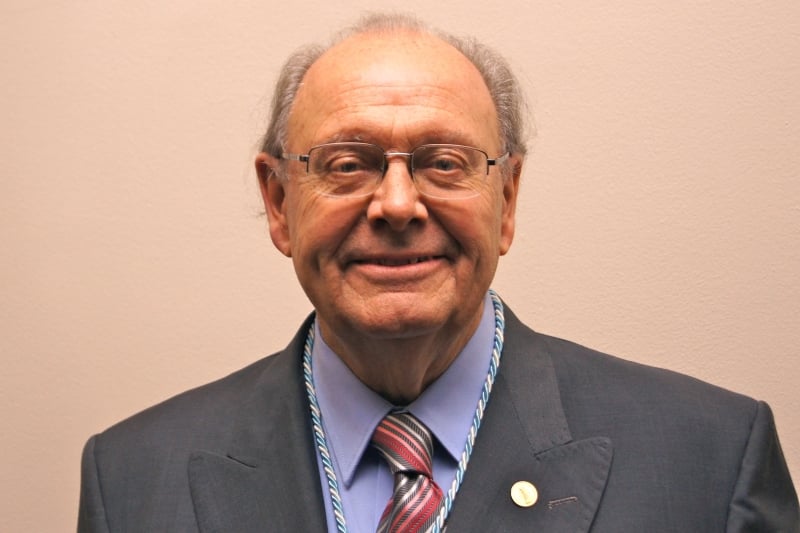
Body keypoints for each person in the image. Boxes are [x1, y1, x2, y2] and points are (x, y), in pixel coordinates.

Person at [77, 13, 798, 533]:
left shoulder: (711, 463)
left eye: (445, 163)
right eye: (347, 164)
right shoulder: (133, 480)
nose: (397, 204)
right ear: (279, 202)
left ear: (506, 199)